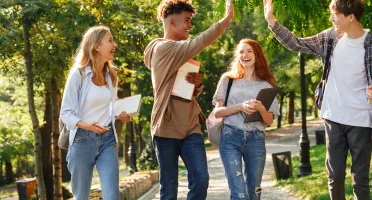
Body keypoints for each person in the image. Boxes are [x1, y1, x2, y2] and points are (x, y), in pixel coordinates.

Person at [263, 0, 372, 199]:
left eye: (335, 15)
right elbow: (297, 43)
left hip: (361, 120)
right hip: (333, 117)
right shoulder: (330, 38)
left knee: (360, 179)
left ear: (350, 17)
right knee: (335, 176)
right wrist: (272, 21)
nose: (331, 19)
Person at [142, 0, 234, 199]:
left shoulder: (179, 52)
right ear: (172, 22)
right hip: (166, 127)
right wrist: (225, 21)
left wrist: (197, 85)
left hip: (190, 125)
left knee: (201, 180)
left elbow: (182, 89)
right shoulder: (163, 48)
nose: (190, 25)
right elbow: (198, 42)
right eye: (186, 20)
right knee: (169, 188)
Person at [60, 26, 131, 200]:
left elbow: (110, 106)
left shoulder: (111, 75)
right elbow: (66, 113)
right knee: (81, 196)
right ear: (96, 46)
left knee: (112, 196)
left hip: (107, 138)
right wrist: (86, 125)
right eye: (110, 40)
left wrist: (119, 114)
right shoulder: (78, 74)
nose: (114, 44)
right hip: (82, 140)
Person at [213, 38, 280, 200]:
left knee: (254, 191)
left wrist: (260, 108)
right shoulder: (228, 80)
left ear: (257, 55)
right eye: (241, 52)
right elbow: (217, 113)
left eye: (249, 51)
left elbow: (269, 121)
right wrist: (240, 107)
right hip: (230, 137)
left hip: (256, 139)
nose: (245, 55)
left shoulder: (266, 85)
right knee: (238, 192)